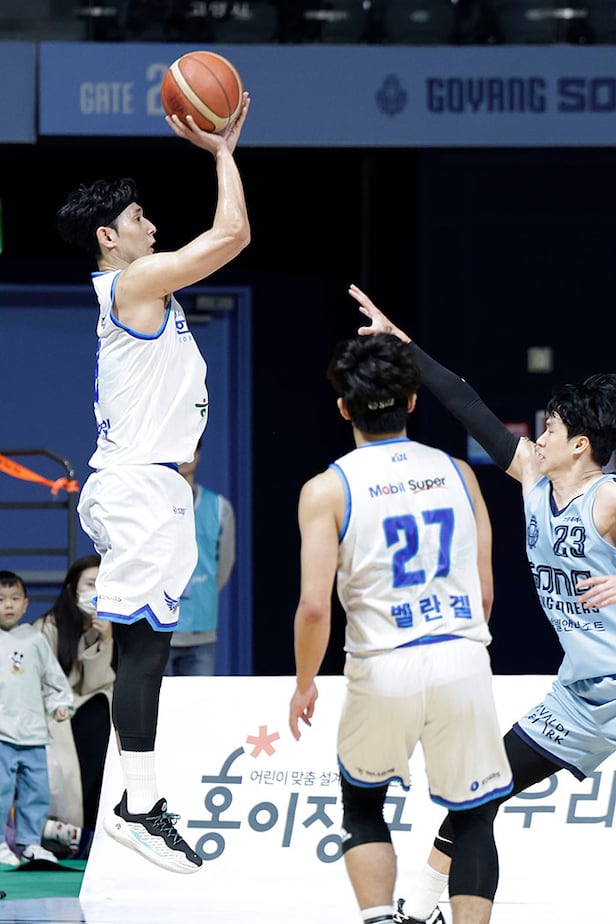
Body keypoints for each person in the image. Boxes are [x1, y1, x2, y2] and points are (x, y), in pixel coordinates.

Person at [348, 283, 616, 924]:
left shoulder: (607, 498)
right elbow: (467, 403)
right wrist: (401, 345)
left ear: (581, 445)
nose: (538, 434)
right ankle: (421, 910)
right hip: (584, 695)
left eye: (551, 427)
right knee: (477, 797)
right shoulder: (534, 478)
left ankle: (417, 908)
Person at [54, 91, 251, 874]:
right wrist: (223, 152)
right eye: (139, 218)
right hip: (136, 490)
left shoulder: (146, 297)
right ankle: (136, 807)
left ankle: (139, 802)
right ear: (110, 237)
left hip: (154, 488)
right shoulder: (131, 287)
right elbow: (232, 235)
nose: (152, 226)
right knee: (141, 650)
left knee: (150, 647)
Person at [288, 332, 514, 924]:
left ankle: (380, 918)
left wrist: (305, 683)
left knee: (363, 805)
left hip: (383, 664)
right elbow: (486, 592)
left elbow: (314, 607)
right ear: (413, 401)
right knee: (473, 817)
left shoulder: (326, 489)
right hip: (461, 655)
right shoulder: (459, 474)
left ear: (344, 408)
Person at [34, 554, 113, 842]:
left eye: (102, 584)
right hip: (54, 710)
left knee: (100, 714)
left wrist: (105, 639)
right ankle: (81, 828)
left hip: (92, 706)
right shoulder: (47, 627)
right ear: (71, 589)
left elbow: (97, 684)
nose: (96, 591)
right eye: (90, 583)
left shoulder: (112, 625)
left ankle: (100, 823)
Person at [0, 570, 74, 867]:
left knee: (37, 792)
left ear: (26, 604)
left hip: (33, 734)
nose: (8, 605)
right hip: (1, 734)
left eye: (15, 598)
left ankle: (30, 843)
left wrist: (60, 704)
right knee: (1, 791)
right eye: (0, 599)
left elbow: (54, 680)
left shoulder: (35, 639)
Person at [165, 437, 236, 677]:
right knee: (159, 701)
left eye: (191, 449)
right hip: (158, 627)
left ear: (198, 454)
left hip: (201, 628)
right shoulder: (152, 505)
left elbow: (224, 566)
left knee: (199, 699)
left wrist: (203, 588)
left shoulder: (218, 507)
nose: (185, 456)